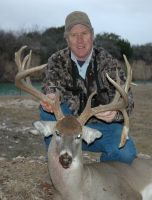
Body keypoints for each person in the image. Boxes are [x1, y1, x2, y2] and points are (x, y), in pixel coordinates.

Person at [40, 11, 137, 164]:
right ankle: (57, 161)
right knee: (47, 110)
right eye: (73, 35)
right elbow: (49, 85)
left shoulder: (108, 62)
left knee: (126, 153)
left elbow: (128, 101)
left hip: (99, 130)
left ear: (92, 35)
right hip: (66, 129)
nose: (79, 40)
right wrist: (50, 96)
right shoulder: (57, 60)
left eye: (84, 33)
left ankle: (106, 175)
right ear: (67, 39)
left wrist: (115, 114)